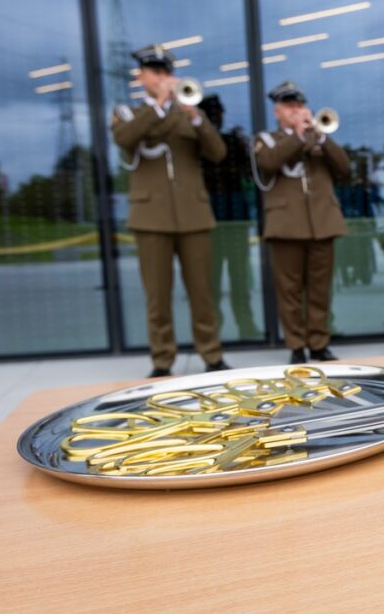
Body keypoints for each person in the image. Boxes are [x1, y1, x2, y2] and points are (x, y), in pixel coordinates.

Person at [111, 44, 229, 377]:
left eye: (167, 73)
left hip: (193, 214)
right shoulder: (127, 113)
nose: (164, 79)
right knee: (157, 296)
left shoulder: (188, 112)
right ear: (143, 77)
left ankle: (212, 355)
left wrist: (195, 115)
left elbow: (218, 152)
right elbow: (126, 139)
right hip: (151, 219)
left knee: (203, 292)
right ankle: (163, 361)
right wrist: (161, 106)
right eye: (157, 73)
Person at [252, 81, 350, 364]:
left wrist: (321, 138)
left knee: (319, 289)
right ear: (277, 111)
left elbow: (344, 168)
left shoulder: (316, 136)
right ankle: (296, 346)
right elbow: (269, 163)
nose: (296, 110)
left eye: (298, 105)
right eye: (289, 106)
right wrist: (297, 135)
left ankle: (319, 344)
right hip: (286, 227)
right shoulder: (266, 139)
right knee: (290, 291)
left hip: (322, 223)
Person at [197, 94, 261, 340]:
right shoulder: (199, 144)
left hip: (235, 218)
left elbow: (248, 172)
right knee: (211, 282)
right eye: (213, 114)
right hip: (211, 220)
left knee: (239, 279)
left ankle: (245, 324)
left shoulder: (232, 142)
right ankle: (215, 330)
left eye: (219, 113)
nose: (217, 118)